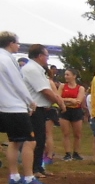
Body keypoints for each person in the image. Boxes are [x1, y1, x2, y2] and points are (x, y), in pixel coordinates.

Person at [0, 31, 48, 184]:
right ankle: (28, 177)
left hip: (4, 106)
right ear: (10, 43)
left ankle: (14, 176)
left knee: (14, 141)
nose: (18, 46)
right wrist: (30, 101)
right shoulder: (7, 59)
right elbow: (18, 83)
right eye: (17, 43)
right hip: (15, 106)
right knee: (30, 141)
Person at [21, 44, 66, 177]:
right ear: (40, 56)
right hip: (34, 109)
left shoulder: (38, 69)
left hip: (41, 108)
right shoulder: (32, 69)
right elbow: (45, 90)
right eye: (46, 55)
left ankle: (39, 167)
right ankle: (34, 169)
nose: (47, 58)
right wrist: (59, 102)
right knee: (36, 139)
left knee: (41, 139)